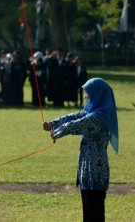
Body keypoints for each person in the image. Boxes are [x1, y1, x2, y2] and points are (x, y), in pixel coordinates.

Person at [42, 78, 118, 222]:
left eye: (88, 93)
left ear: (97, 94)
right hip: (88, 172)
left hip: (95, 174)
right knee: (89, 214)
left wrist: (57, 132)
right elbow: (75, 116)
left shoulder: (99, 118)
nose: (85, 97)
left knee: (94, 215)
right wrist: (53, 124)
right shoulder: (94, 111)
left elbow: (77, 125)